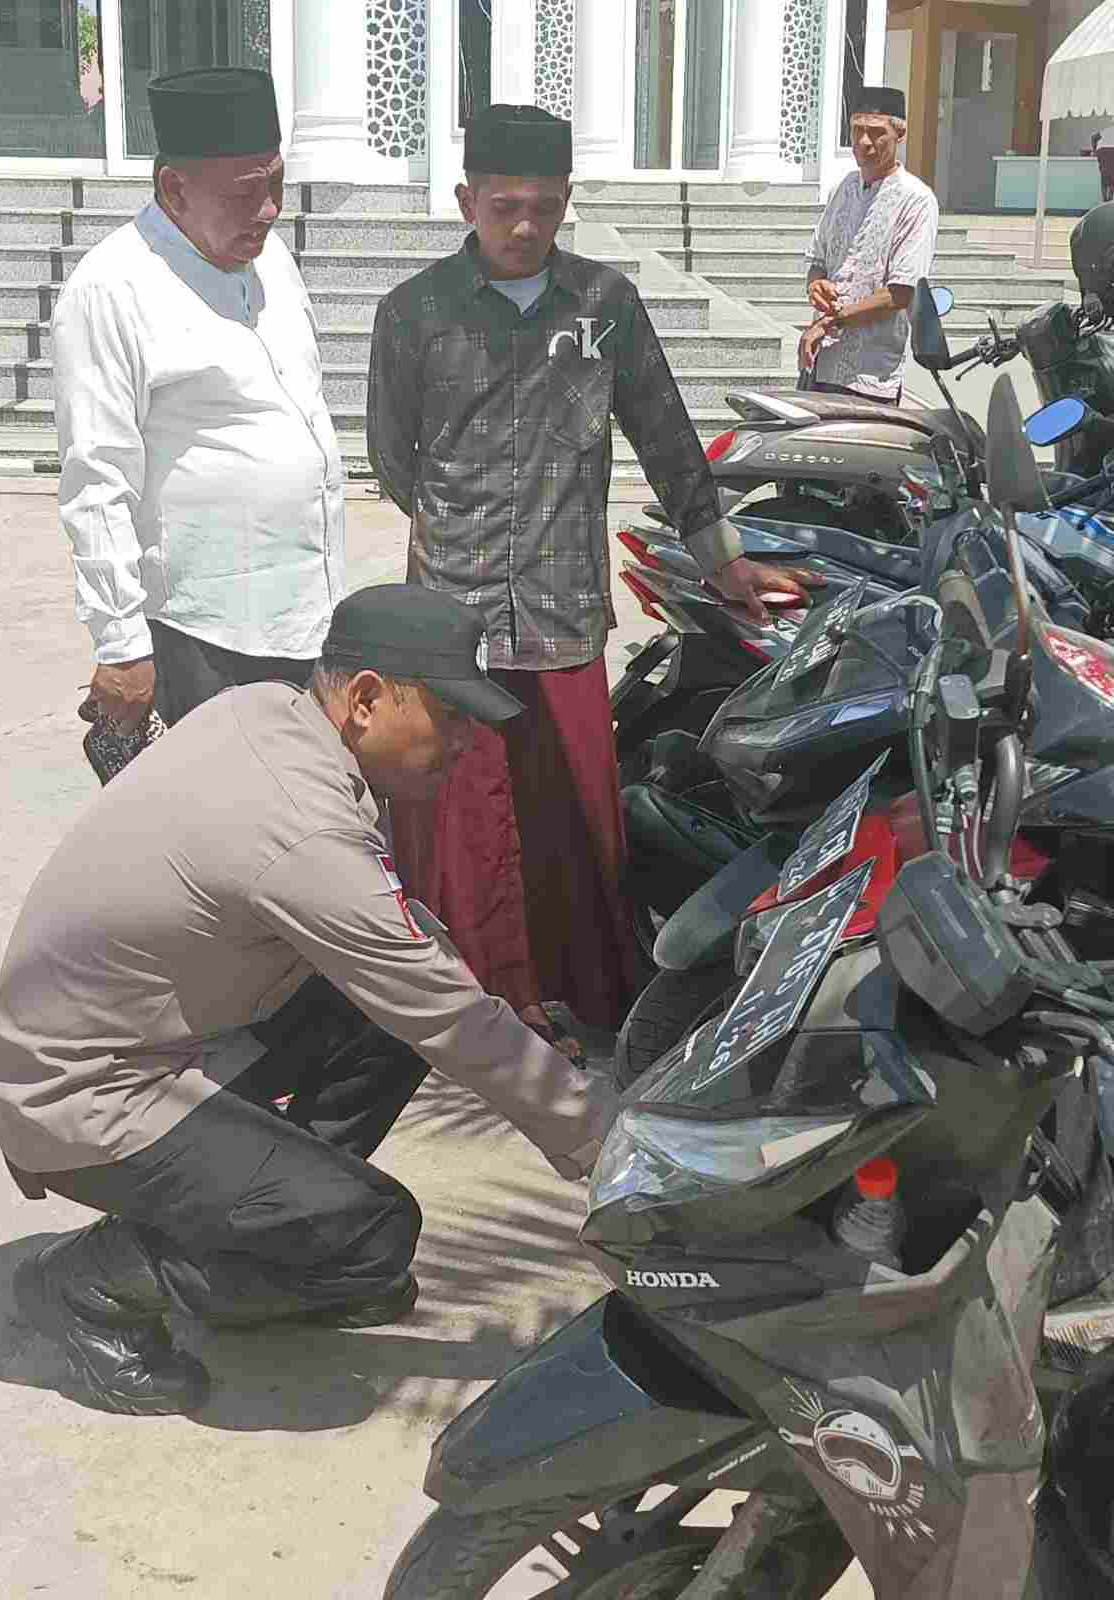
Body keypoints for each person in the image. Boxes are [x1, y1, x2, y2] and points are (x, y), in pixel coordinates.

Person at [0, 584, 619, 1418]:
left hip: (132, 1043)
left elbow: (411, 966)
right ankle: (89, 1286)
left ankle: (274, 1230)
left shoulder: (265, 711)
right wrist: (609, 1150)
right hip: (81, 1100)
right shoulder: (300, 826)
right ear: (363, 699)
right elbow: (452, 1019)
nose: (465, 744)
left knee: (393, 1004)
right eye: (451, 718)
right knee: (371, 1236)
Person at [366, 104, 819, 1054]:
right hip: (457, 621)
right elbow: (393, 458)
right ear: (466, 202)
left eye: (543, 208)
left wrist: (721, 558)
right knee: (470, 820)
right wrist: (459, 539)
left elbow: (663, 434)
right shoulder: (412, 312)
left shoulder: (603, 306)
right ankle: (487, 1007)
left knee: (571, 810)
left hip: (567, 610)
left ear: (566, 203)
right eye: (504, 208)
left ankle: (588, 992)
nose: (525, 227)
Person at [53, 66, 344, 732]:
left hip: (307, 619)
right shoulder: (111, 291)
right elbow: (96, 481)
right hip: (204, 639)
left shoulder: (269, 257)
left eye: (277, 183)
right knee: (225, 828)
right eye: (248, 192)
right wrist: (121, 644)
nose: (270, 209)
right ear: (173, 188)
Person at [801, 86, 939, 405]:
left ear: (899, 135)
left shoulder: (916, 200)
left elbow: (900, 293)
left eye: (876, 133)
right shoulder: (843, 188)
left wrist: (830, 323)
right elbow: (818, 259)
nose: (864, 142)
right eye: (857, 131)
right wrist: (815, 284)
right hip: (821, 364)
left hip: (871, 377)